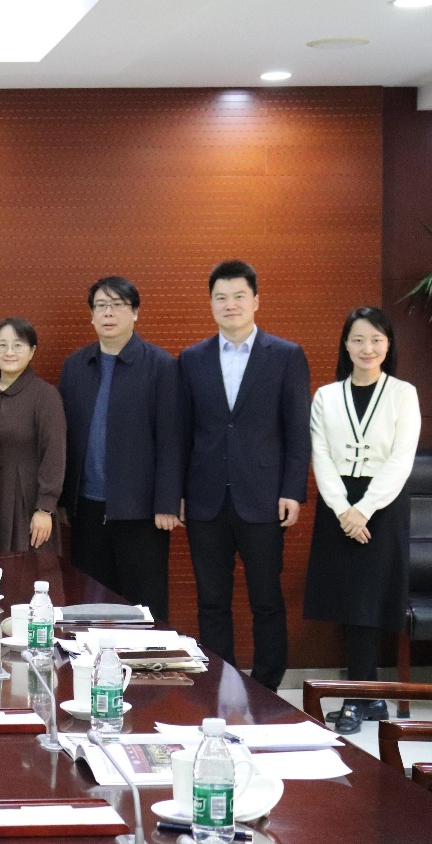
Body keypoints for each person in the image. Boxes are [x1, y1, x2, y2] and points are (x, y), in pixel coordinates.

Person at [179, 260, 311, 692]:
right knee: (212, 601)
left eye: (239, 296)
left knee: (266, 599)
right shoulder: (192, 359)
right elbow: (183, 432)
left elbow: (298, 430)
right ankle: (221, 681)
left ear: (256, 301)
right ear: (211, 304)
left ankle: (268, 687)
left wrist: (293, 490)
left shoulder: (286, 355)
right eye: (221, 297)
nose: (230, 304)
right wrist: (177, 492)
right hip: (205, 499)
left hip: (264, 497)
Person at [305, 306, 420, 734]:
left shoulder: (403, 393)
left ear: (388, 345)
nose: (367, 348)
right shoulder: (326, 396)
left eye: (376, 339)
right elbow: (321, 457)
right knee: (348, 601)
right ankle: (367, 695)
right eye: (358, 340)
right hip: (338, 505)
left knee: (369, 601)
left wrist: (365, 510)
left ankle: (358, 697)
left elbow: (401, 459)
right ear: (346, 345)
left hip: (383, 505)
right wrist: (343, 510)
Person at [58, 276, 181, 623]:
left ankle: (146, 659)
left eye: (117, 305)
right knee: (88, 604)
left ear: (135, 312)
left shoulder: (160, 365)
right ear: (92, 316)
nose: (108, 313)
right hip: (87, 509)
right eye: (101, 306)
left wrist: (167, 502)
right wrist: (66, 499)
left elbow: (172, 439)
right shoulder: (75, 366)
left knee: (144, 606)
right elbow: (65, 437)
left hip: (141, 512)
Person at [0, 317, 66, 553]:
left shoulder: (45, 396)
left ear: (32, 351)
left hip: (26, 502)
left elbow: (54, 454)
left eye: (18, 345)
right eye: (2, 345)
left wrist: (45, 508)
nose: (9, 352)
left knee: (25, 569)